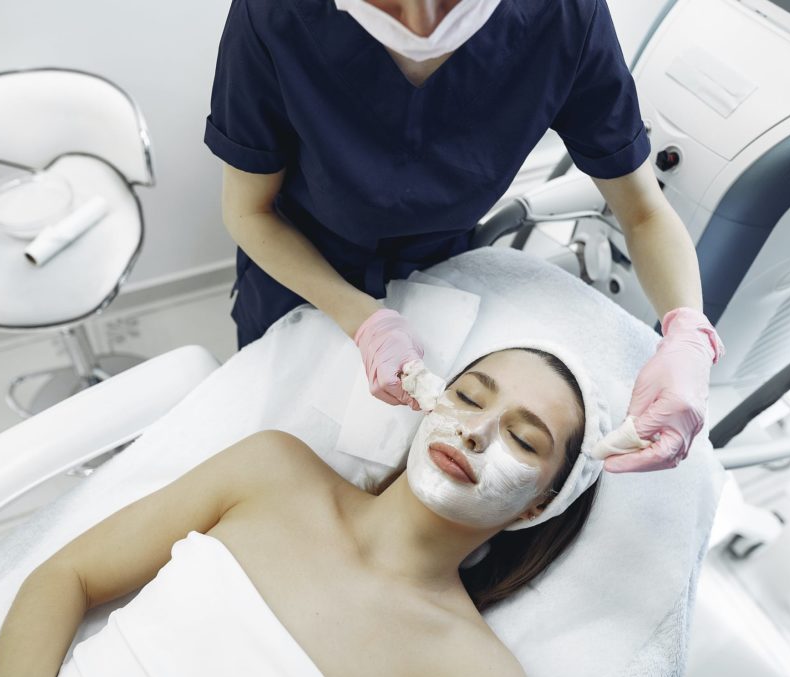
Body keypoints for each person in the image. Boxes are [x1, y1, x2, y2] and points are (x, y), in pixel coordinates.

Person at [205, 0, 725, 475]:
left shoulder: (563, 17)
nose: (422, 20)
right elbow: (250, 212)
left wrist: (688, 337)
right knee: (272, 441)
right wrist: (363, 321)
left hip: (442, 275)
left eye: (523, 440)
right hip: (297, 272)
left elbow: (643, 213)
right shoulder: (275, 14)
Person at [0, 346, 600, 677]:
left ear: (537, 507)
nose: (475, 432)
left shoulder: (475, 672)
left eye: (523, 439)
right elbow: (64, 578)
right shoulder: (271, 471)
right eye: (468, 396)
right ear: (428, 406)